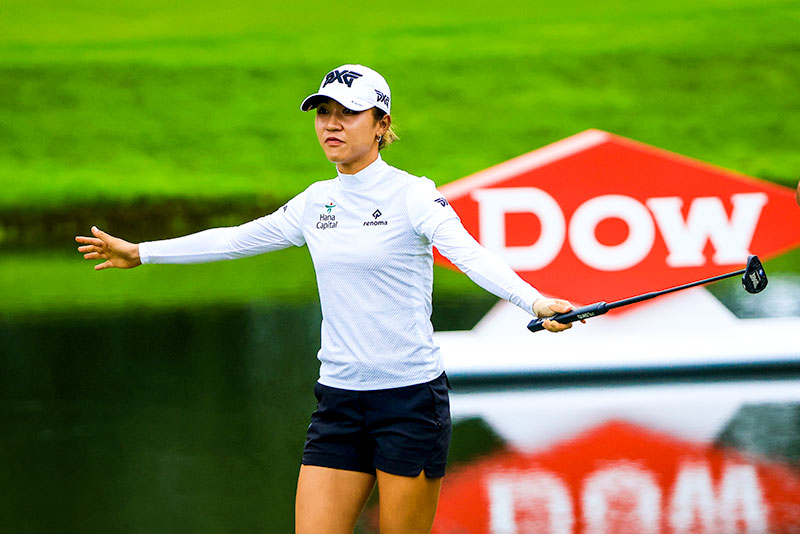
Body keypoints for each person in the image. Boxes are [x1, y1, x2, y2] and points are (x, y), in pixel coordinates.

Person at [76, 64, 576, 534]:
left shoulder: (414, 195)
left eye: (347, 113)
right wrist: (142, 252)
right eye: (323, 113)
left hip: (409, 403)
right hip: (338, 402)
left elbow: (469, 255)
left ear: (381, 124)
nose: (331, 125)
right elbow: (234, 240)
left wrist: (532, 303)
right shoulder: (316, 202)